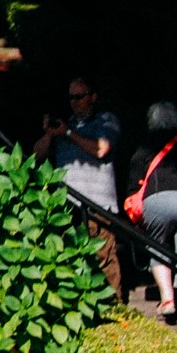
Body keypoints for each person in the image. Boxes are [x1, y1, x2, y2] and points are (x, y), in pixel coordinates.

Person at [35, 77, 123, 299]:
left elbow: (101, 149)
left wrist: (67, 134)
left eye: (79, 96)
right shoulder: (66, 125)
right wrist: (49, 133)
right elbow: (35, 157)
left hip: (98, 205)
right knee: (71, 259)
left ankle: (116, 308)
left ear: (93, 97)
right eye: (71, 98)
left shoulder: (106, 121)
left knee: (104, 258)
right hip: (68, 207)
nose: (74, 102)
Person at [124, 102, 177, 324]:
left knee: (158, 244)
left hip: (157, 199)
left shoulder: (145, 147)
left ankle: (168, 299)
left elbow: (133, 185)